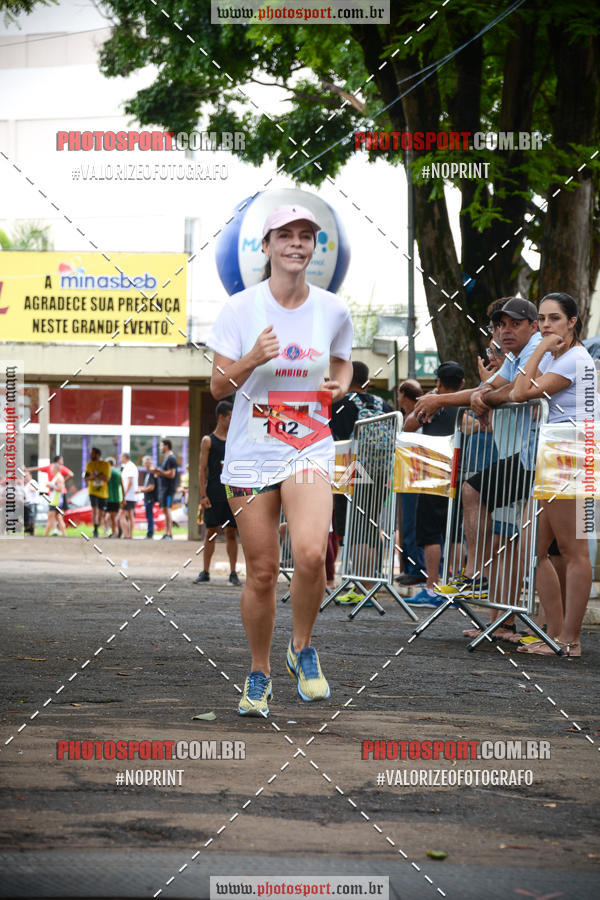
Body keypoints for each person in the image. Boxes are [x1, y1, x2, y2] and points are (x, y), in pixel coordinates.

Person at [208, 203, 353, 716]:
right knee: (264, 571)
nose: (296, 244)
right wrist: (253, 358)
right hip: (251, 454)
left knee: (312, 553)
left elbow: (342, 359)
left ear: (315, 248)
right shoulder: (239, 310)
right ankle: (258, 673)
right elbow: (216, 386)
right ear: (265, 247)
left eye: (306, 237)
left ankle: (303, 648)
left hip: (308, 444)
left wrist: (341, 385)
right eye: (285, 236)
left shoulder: (333, 309)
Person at [433, 298, 542, 600]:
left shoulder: (539, 349)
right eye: (499, 325)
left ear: (534, 326)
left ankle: (561, 637)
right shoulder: (518, 355)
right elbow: (492, 389)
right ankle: (503, 620)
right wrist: (485, 394)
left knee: (548, 549)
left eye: (515, 323)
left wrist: (476, 398)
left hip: (542, 458)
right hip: (519, 454)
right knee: (504, 539)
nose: (505, 331)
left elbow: (515, 393)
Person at [510, 292, 599, 657]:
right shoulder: (562, 357)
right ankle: (557, 632)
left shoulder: (573, 360)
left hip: (573, 456)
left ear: (572, 322)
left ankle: (570, 640)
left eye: (555, 319)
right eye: (543, 320)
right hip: (558, 455)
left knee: (573, 551)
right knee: (535, 546)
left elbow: (518, 392)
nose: (547, 326)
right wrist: (545, 349)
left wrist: (539, 348)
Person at [403, 362, 465, 607]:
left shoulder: (433, 403)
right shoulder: (465, 403)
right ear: (462, 383)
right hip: (461, 471)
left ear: (438, 382)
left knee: (430, 532)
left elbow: (408, 426)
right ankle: (457, 587)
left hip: (433, 473)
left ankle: (432, 587)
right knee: (457, 532)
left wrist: (428, 400)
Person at [193, 400, 241, 585]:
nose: (233, 419)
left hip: (231, 492)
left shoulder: (235, 440)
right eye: (230, 416)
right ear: (221, 417)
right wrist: (203, 495)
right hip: (213, 491)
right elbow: (202, 468)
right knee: (210, 532)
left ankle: (233, 573)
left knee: (231, 532)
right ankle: (205, 572)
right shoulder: (208, 441)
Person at [396, 379, 426, 586]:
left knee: (412, 523)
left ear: (404, 394)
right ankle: (408, 567)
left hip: (415, 475)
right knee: (405, 524)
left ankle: (416, 568)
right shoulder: (407, 415)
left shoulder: (420, 414)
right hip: (406, 474)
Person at [152, 438, 178, 540]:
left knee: (167, 510)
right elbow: (165, 473)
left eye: (161, 445)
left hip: (169, 489)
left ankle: (169, 533)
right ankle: (166, 532)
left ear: (166, 446)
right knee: (164, 510)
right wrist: (158, 473)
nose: (160, 448)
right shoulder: (166, 458)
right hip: (164, 488)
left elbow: (172, 474)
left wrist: (159, 471)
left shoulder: (171, 458)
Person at [83, 447, 110, 538]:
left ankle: (100, 527)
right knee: (94, 510)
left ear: (97, 455)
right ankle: (95, 529)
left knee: (102, 513)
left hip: (103, 493)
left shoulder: (105, 465)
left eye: (92, 453)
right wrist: (95, 476)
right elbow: (86, 478)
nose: (90, 455)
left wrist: (95, 475)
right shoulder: (89, 465)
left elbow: (106, 479)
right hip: (93, 492)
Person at [43, 463, 66, 537]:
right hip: (55, 500)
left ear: (56, 469)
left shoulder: (59, 477)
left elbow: (60, 489)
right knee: (59, 518)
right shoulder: (56, 477)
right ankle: (64, 535)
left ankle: (44, 536)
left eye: (52, 468)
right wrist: (50, 485)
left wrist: (50, 485)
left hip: (55, 501)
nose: (50, 470)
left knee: (50, 518)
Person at [119, 452, 139, 539]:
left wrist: (124, 495)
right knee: (130, 515)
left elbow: (130, 482)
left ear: (124, 457)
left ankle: (126, 534)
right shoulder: (129, 466)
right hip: (131, 495)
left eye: (121, 457)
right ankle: (129, 534)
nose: (120, 459)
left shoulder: (130, 467)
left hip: (128, 496)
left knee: (122, 515)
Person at [104, 457, 122, 537]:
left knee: (109, 518)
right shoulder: (118, 473)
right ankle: (114, 533)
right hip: (117, 497)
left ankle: (112, 533)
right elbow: (122, 486)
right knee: (113, 517)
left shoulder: (107, 472)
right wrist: (123, 497)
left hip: (108, 497)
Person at [140, 456, 158, 539]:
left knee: (150, 515)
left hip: (150, 498)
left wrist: (141, 490)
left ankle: (150, 533)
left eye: (147, 462)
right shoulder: (147, 473)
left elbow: (151, 487)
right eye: (145, 463)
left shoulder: (151, 473)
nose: (146, 464)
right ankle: (149, 532)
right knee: (148, 515)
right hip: (147, 497)